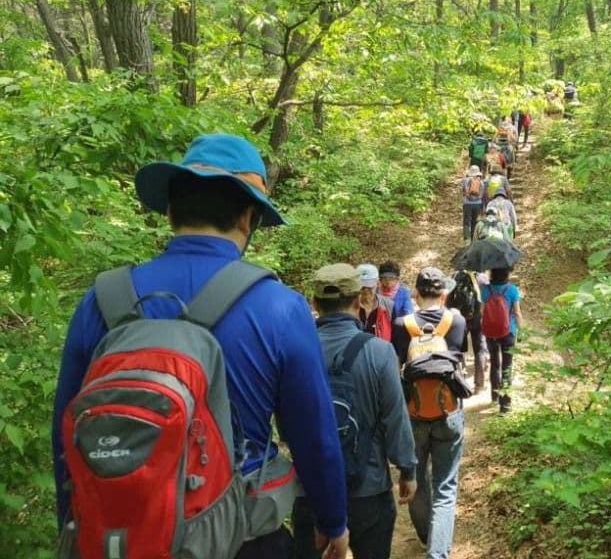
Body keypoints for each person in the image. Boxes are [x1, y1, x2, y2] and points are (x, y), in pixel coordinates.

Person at [51, 134, 349, 559]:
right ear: (248, 218)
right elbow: (314, 436)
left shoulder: (101, 301)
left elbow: (66, 435)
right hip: (242, 538)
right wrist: (331, 521)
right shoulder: (280, 308)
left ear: (171, 211)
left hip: (118, 538)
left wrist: (79, 526)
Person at [293, 264, 418, 559]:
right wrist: (407, 469)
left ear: (314, 304)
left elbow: (286, 426)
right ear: (358, 300)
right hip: (369, 489)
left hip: (311, 490)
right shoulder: (379, 351)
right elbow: (395, 417)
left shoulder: (294, 351)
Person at [392, 268, 467, 559]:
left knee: (417, 480)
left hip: (414, 414)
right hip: (448, 412)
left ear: (416, 294)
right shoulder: (456, 320)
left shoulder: (403, 324)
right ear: (444, 294)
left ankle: (426, 536)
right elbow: (460, 358)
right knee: (445, 487)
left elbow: (397, 364)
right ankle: (438, 552)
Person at [480, 267, 524, 414]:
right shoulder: (512, 290)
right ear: (507, 273)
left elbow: (482, 311)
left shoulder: (485, 289)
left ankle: (494, 395)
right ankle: (505, 405)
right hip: (508, 332)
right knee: (507, 366)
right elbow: (517, 312)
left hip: (490, 332)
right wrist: (521, 330)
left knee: (494, 363)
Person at [356, 263, 394, 341]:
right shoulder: (350, 306)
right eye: (362, 287)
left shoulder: (388, 306)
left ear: (377, 283)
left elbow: (395, 337)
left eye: (369, 287)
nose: (366, 291)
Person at [460, 166, 484, 244]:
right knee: (475, 221)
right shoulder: (480, 181)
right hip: (478, 203)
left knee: (466, 221)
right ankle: (474, 238)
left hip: (467, 204)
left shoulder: (465, 180)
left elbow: (463, 191)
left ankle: (467, 239)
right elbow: (481, 194)